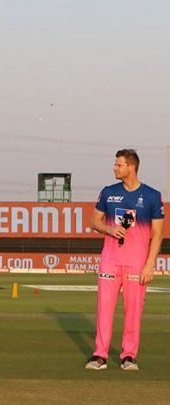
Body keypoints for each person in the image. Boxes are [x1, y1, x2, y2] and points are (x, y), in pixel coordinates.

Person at [85, 149, 164, 371]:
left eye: (119, 165)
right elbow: (94, 221)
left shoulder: (151, 195)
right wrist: (110, 229)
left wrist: (150, 264)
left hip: (137, 263)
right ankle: (99, 355)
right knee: (104, 309)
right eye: (115, 164)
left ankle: (128, 356)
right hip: (110, 260)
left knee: (133, 312)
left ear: (131, 167)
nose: (114, 168)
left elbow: (157, 234)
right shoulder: (108, 193)